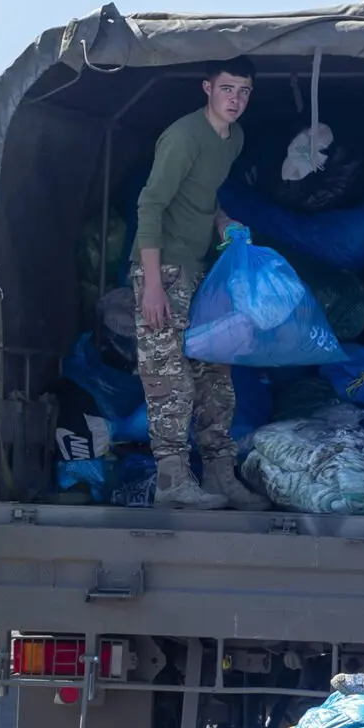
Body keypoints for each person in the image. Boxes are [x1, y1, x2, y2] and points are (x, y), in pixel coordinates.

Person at [134, 57, 264, 510]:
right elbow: (150, 206)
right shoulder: (184, 137)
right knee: (169, 378)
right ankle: (172, 481)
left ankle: (219, 475)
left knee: (216, 375)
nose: (235, 99)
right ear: (207, 88)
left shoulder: (233, 138)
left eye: (244, 91)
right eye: (227, 89)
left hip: (201, 270)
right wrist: (153, 285)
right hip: (165, 270)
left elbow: (203, 196)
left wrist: (223, 221)